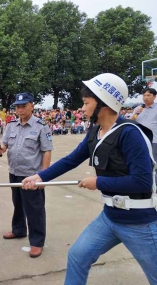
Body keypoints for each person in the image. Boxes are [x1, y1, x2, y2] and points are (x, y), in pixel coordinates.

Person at [22, 73, 157, 284]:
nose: (82, 108)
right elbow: (71, 159)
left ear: (103, 104)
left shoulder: (130, 134)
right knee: (77, 256)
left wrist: (98, 182)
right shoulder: (95, 131)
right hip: (109, 218)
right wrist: (39, 177)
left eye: (86, 103)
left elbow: (142, 181)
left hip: (139, 223)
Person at [0, 92, 53, 258]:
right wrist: (1, 149)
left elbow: (46, 151)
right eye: (17, 107)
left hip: (31, 175)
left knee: (35, 208)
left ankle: (37, 241)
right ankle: (19, 230)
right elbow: (5, 144)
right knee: (18, 203)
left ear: (32, 105)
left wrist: (43, 176)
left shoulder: (41, 126)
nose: (19, 110)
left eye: (23, 106)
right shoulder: (12, 125)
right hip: (14, 172)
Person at [130, 87, 157, 161]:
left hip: (153, 139)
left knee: (153, 160)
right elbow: (129, 121)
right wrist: (136, 114)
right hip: (139, 139)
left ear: (154, 96)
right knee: (140, 159)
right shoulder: (138, 108)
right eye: (144, 95)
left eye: (148, 95)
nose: (146, 97)